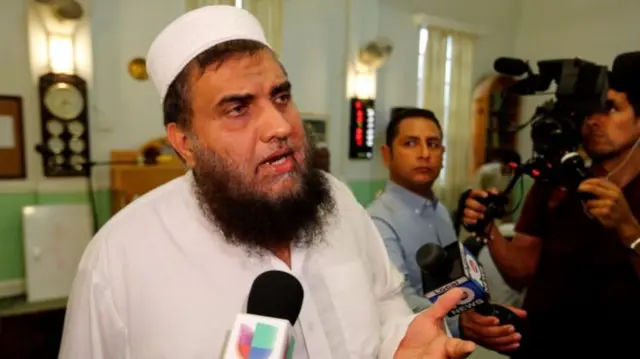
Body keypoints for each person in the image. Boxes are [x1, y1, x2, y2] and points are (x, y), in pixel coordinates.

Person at [58, 6, 476, 359]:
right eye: (238, 108)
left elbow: (384, 303)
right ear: (185, 143)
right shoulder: (118, 261)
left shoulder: (338, 201)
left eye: (280, 97)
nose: (279, 126)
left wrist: (400, 343)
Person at [461, 51, 640, 358]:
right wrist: (487, 226)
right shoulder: (556, 179)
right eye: (588, 111)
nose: (594, 120)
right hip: (542, 343)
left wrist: (629, 230)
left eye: (610, 108)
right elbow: (521, 272)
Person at [367, 107, 524, 353]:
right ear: (387, 155)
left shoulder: (440, 211)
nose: (424, 153)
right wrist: (461, 322)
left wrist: (485, 313)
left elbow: (456, 280)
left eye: (433, 144)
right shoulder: (377, 220)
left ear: (443, 153)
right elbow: (397, 300)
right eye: (410, 143)